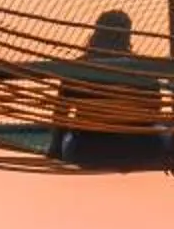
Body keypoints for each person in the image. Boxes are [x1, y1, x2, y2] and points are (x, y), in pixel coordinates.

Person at [49, 9, 167, 169]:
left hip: (88, 150)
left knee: (69, 137)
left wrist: (54, 150)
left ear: (98, 32)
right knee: (166, 132)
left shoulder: (78, 68)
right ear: (127, 35)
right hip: (140, 148)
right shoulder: (143, 69)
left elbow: (61, 114)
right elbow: (154, 112)